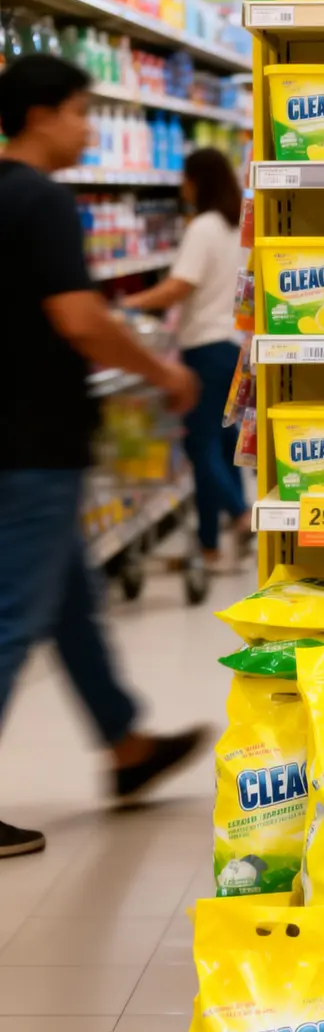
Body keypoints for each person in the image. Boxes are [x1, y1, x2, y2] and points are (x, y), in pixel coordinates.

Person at [0, 54, 208, 860]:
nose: (89, 127)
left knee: (67, 605)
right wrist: (163, 372)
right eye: (81, 111)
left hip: (19, 437)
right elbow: (80, 319)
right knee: (15, 617)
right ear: (41, 115)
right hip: (34, 444)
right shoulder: (42, 200)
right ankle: (125, 744)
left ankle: (127, 747)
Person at [124, 147, 247, 566]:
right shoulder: (236, 225)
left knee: (199, 446)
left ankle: (240, 513)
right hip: (234, 345)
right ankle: (209, 547)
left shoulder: (204, 227)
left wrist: (130, 304)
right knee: (223, 442)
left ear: (197, 182)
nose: (182, 188)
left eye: (185, 180)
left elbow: (180, 285)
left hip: (205, 349)